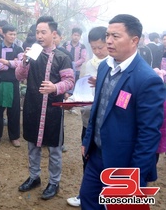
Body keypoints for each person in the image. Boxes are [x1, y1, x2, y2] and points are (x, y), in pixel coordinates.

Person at [79, 14, 166, 209]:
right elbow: (97, 109)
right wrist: (87, 140)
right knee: (89, 200)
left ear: (134, 40)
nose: (108, 40)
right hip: (96, 156)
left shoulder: (147, 79)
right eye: (108, 35)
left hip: (124, 163)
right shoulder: (104, 67)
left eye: (115, 36)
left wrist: (134, 175)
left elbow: (149, 134)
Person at [16, 16, 75, 200]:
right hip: (33, 106)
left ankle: (54, 182)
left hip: (53, 110)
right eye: (37, 32)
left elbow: (70, 81)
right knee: (32, 145)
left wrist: (55, 88)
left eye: (43, 32)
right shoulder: (32, 53)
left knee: (54, 149)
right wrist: (24, 61)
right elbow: (19, 76)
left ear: (53, 33)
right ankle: (34, 177)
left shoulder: (63, 57)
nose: (39, 36)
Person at [66, 26, 109, 207]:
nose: (98, 51)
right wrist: (74, 99)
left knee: (106, 162)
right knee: (87, 158)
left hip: (106, 124)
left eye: (101, 47)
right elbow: (81, 87)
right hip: (88, 119)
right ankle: (86, 194)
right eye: (94, 48)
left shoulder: (114, 65)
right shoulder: (88, 64)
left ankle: (106, 197)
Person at [0, 24, 24, 147]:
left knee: (14, 111)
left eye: (14, 34)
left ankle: (14, 136)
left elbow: (21, 65)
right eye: (10, 34)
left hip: (13, 83)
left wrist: (7, 62)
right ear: (4, 34)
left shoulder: (19, 49)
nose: (12, 36)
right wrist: (13, 64)